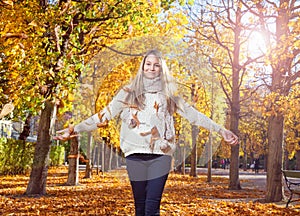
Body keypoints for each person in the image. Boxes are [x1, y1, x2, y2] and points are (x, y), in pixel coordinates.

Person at [54, 49, 238, 216]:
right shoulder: (127, 92)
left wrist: (221, 130)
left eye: (156, 65)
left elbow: (193, 115)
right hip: (135, 154)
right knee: (140, 207)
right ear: (142, 67)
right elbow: (104, 115)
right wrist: (73, 129)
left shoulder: (169, 94)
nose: (152, 68)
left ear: (161, 69)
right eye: (148, 64)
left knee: (152, 207)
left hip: (161, 155)